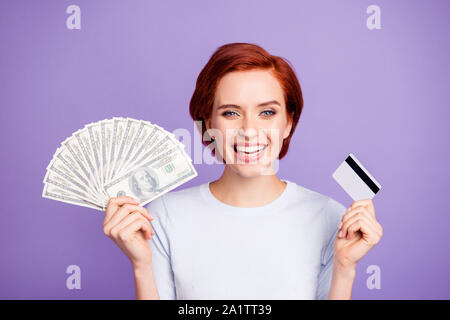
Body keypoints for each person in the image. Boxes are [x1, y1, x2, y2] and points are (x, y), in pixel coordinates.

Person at [102, 43, 383, 300]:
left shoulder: (331, 218)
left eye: (267, 113)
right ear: (207, 125)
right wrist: (141, 266)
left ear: (288, 122)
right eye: (231, 113)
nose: (249, 131)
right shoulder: (162, 216)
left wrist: (345, 268)